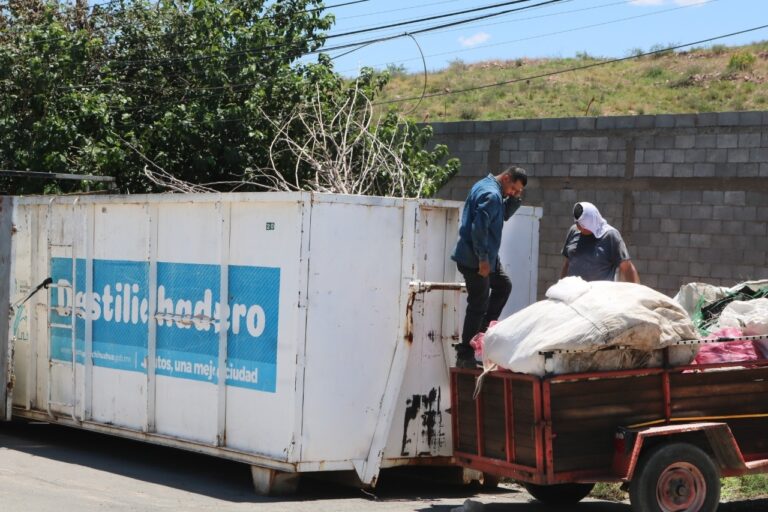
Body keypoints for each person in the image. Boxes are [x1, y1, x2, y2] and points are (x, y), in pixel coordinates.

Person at [451, 166, 528, 368]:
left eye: (518, 191)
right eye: (513, 188)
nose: (513, 192)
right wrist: (483, 260)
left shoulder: (487, 186)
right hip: (475, 260)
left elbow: (503, 215)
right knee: (479, 304)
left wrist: (515, 198)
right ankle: (466, 353)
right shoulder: (492, 195)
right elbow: (479, 229)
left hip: (483, 257)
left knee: (503, 286)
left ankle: (481, 334)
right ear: (507, 177)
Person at [560, 202, 640, 283]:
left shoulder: (610, 236)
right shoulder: (573, 231)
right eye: (577, 223)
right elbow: (567, 263)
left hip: (600, 290)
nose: (579, 227)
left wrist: (636, 290)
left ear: (593, 222)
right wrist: (561, 284)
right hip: (574, 290)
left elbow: (627, 267)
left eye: (582, 225)